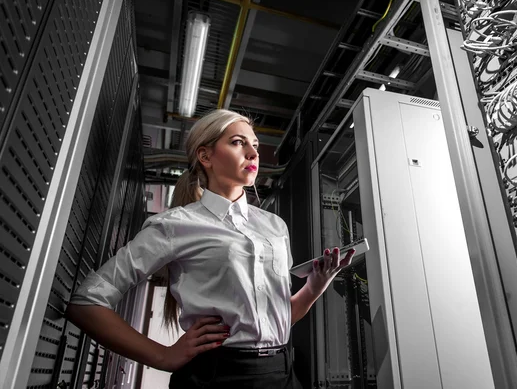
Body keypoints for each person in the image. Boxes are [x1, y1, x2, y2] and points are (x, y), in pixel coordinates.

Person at [66, 109, 355, 388]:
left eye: (254, 145)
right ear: (205, 156)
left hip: (282, 372)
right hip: (215, 376)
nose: (254, 153)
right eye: (238, 143)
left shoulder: (274, 225)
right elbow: (86, 303)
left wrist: (315, 287)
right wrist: (163, 356)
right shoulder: (175, 224)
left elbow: (276, 318)